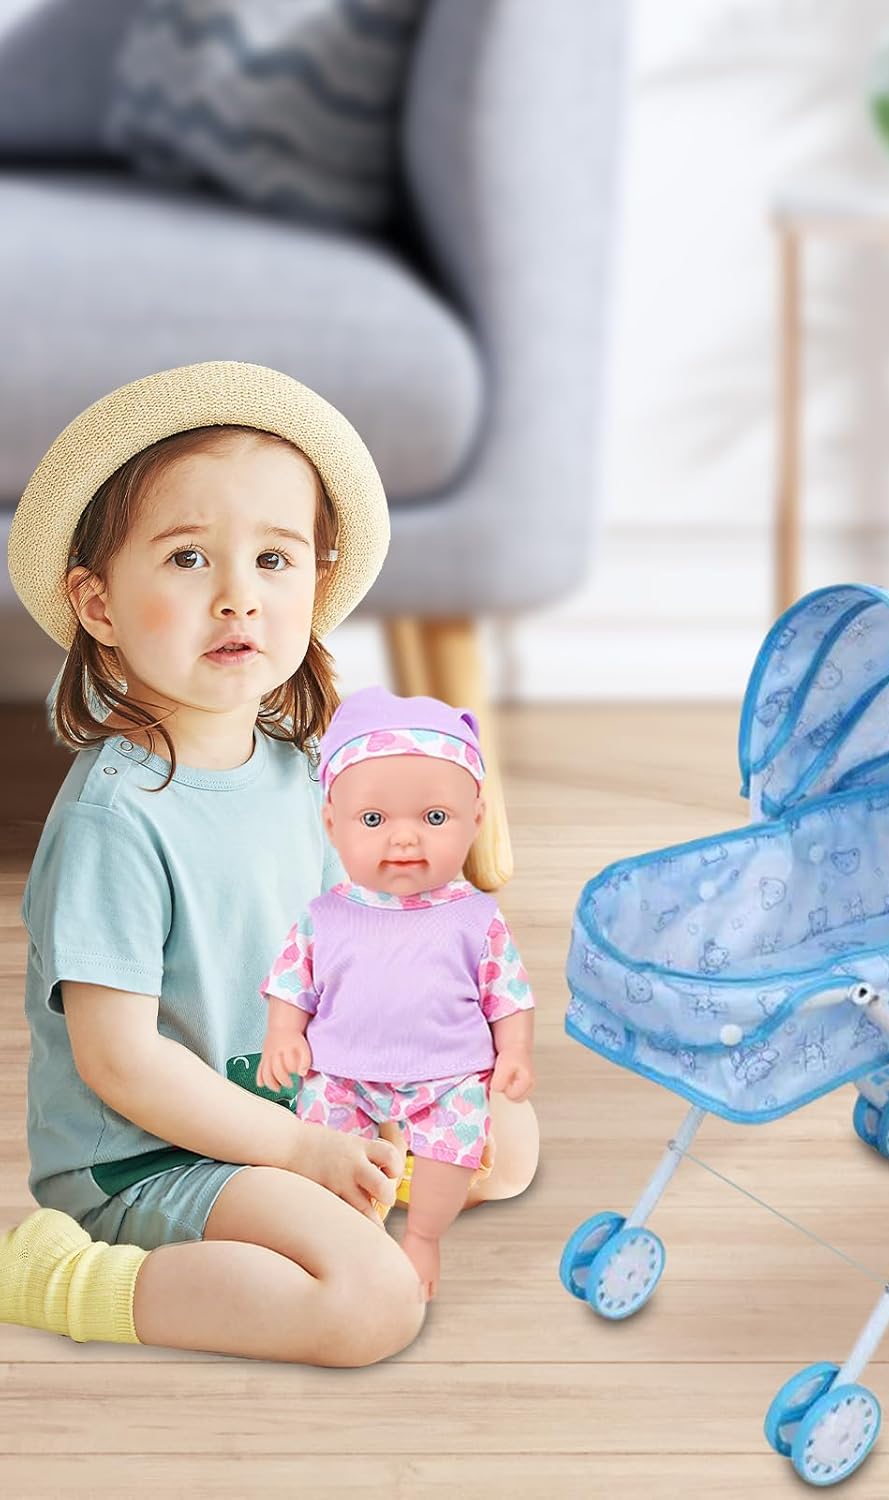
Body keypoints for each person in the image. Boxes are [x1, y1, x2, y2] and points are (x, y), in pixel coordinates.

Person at [0, 362, 437, 1364]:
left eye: (274, 559)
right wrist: (301, 1150)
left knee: (503, 1138)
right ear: (98, 605)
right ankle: (55, 1276)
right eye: (190, 558)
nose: (240, 597)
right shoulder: (117, 821)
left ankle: (321, 1191)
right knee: (370, 1303)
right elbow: (121, 1063)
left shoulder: (298, 772)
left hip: (271, 1117)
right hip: (145, 1162)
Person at [258, 685, 536, 1300]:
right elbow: (291, 983)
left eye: (434, 818)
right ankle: (351, 1232)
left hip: (447, 1075)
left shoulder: (476, 918)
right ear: (332, 825)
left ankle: (424, 1236)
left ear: (475, 821)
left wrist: (513, 1051)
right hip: (343, 1074)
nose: (404, 839)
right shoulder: (325, 916)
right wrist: (283, 1035)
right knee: (330, 1140)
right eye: (374, 820)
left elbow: (508, 995)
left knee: (463, 1154)